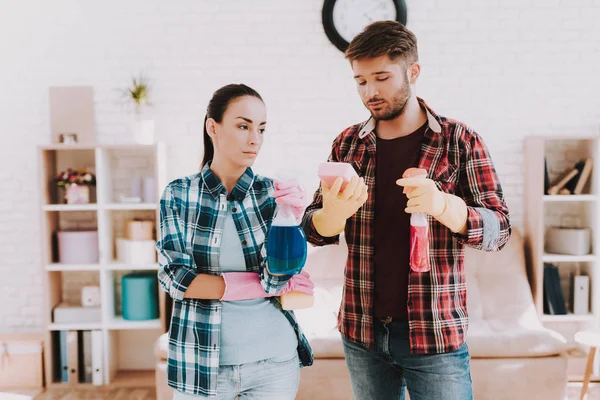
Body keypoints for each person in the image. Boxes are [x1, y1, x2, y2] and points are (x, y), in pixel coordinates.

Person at [302, 21, 511, 400]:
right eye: (361, 81)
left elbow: (500, 228)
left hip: (435, 333)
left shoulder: (459, 141)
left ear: (413, 72)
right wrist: (330, 214)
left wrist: (445, 207)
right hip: (362, 332)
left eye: (381, 77)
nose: (370, 92)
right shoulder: (348, 143)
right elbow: (314, 229)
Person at [156, 83, 314, 400]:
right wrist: (254, 286)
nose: (254, 138)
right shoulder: (179, 194)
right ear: (212, 128)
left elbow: (281, 276)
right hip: (201, 364)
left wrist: (292, 220)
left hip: (274, 362)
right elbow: (174, 277)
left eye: (261, 128)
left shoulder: (273, 194)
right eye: (243, 126)